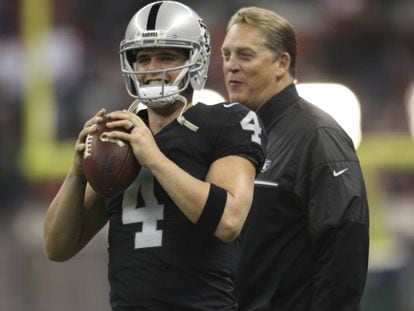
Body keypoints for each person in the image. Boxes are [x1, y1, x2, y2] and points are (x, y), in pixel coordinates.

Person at [43, 1, 266, 310]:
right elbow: (57, 247)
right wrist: (77, 172)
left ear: (196, 60)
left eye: (167, 56)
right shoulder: (120, 136)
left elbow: (229, 220)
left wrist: (154, 159)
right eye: (143, 58)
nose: (152, 68)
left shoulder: (226, 122)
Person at [221, 6, 369, 311]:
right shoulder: (236, 136)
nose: (230, 66)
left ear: (281, 63)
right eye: (226, 55)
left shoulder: (317, 136)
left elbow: (345, 246)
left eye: (245, 55)